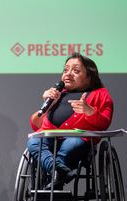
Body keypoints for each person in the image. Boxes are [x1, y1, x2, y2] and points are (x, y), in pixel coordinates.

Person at [27, 52, 113, 190]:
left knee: (71, 143)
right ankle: (59, 172)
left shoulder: (100, 94)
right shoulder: (57, 94)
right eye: (66, 70)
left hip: (78, 141)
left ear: (90, 77)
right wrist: (48, 104)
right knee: (33, 142)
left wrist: (90, 111)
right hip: (51, 139)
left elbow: (104, 123)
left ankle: (57, 174)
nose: (68, 74)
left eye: (76, 71)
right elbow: (36, 124)